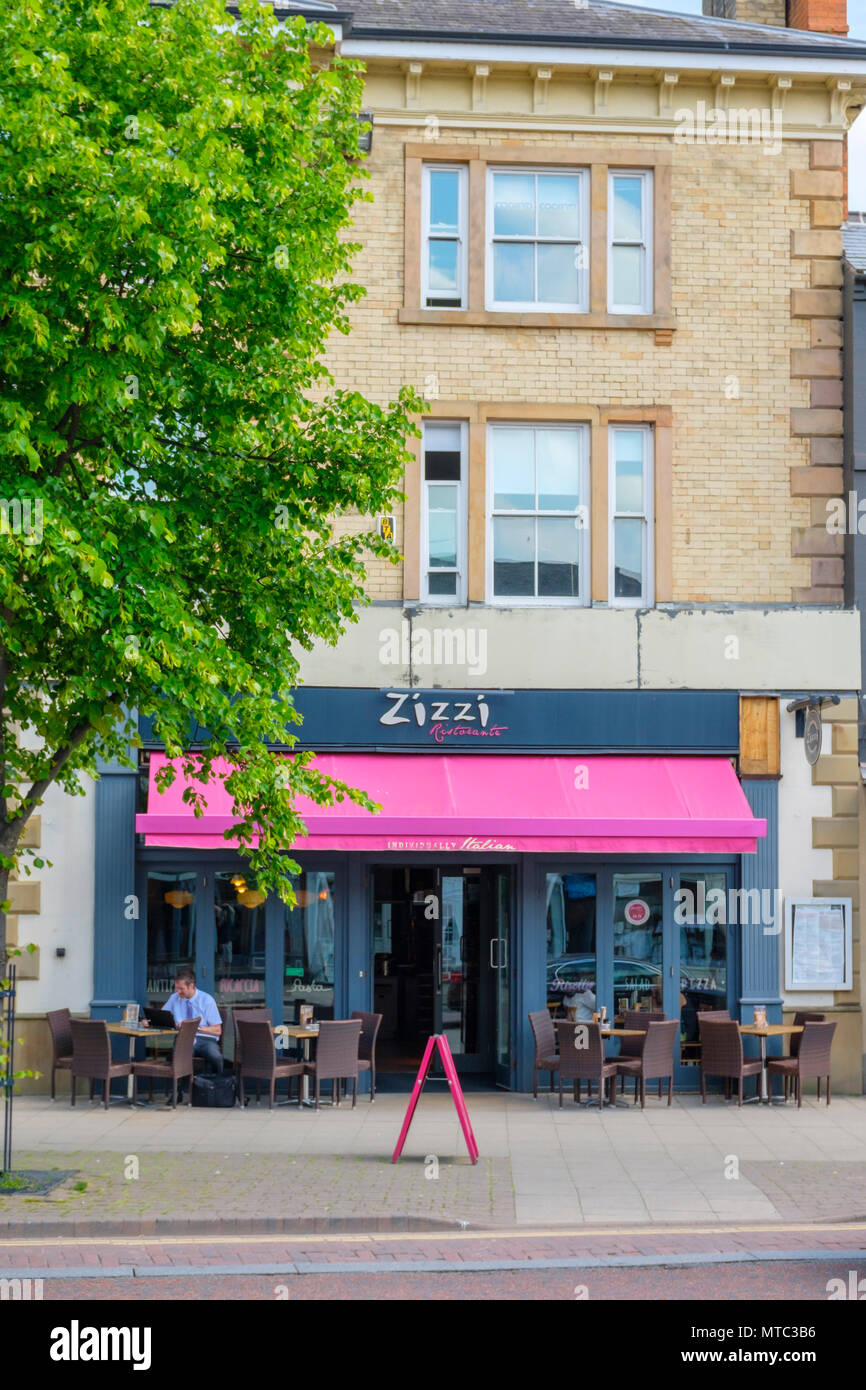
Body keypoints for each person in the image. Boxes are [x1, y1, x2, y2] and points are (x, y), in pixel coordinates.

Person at [163, 969, 223, 1077]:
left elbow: (218, 1031)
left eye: (181, 989)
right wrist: (149, 1021)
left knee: (215, 1056)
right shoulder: (174, 998)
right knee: (182, 1057)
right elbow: (162, 1016)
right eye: (176, 988)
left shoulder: (206, 1000)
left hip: (205, 1039)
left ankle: (217, 1086)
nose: (178, 992)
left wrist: (195, 1028)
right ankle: (180, 1090)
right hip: (183, 1038)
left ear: (191, 985)